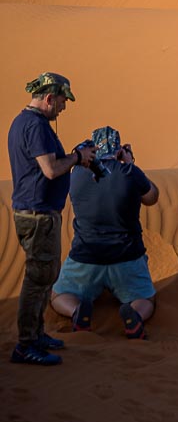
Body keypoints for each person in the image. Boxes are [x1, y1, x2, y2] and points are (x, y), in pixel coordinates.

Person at [7, 72, 95, 365]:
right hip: (37, 215)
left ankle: (37, 334)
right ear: (48, 98)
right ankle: (26, 344)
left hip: (39, 212)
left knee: (46, 276)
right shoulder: (35, 126)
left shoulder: (28, 123)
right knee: (37, 279)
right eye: (61, 101)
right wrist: (77, 157)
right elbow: (50, 169)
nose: (63, 108)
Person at [50, 127, 159, 339]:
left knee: (57, 295)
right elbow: (152, 197)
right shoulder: (130, 173)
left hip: (86, 258)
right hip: (126, 258)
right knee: (146, 299)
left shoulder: (77, 175)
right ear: (118, 150)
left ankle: (75, 312)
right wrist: (130, 164)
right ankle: (135, 315)